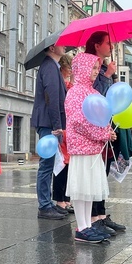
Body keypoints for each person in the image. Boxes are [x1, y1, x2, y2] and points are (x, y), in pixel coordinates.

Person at [65, 53, 117, 243]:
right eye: (93, 68)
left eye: (97, 68)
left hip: (93, 147)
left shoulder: (92, 92)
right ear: (83, 69)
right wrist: (103, 134)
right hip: (81, 147)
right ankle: (82, 226)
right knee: (81, 188)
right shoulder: (75, 92)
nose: (96, 72)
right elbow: (79, 121)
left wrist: (108, 130)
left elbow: (101, 116)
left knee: (87, 188)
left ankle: (87, 225)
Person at [85, 31, 126, 236]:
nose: (111, 46)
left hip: (107, 127)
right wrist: (107, 75)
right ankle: (94, 216)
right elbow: (93, 95)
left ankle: (101, 214)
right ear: (96, 45)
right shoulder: (91, 66)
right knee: (95, 173)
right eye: (108, 43)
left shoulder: (103, 67)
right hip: (94, 128)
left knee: (103, 172)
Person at [30, 43, 68, 220]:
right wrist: (57, 125)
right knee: (46, 165)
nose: (65, 46)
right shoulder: (50, 67)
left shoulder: (52, 66)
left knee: (49, 164)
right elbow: (52, 98)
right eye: (61, 44)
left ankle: (47, 203)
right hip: (48, 122)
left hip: (49, 121)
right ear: (52, 48)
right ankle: (44, 206)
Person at [52, 54, 73, 214]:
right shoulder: (60, 84)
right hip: (62, 128)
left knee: (68, 166)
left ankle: (65, 199)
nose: (70, 71)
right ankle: (60, 200)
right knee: (61, 166)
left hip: (68, 128)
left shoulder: (68, 85)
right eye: (68, 67)